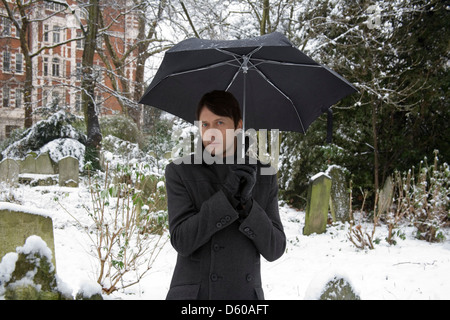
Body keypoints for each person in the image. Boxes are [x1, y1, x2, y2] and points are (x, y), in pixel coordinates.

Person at [165, 90, 286, 300]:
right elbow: (182, 240)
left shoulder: (264, 174)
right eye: (205, 124)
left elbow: (275, 248)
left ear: (238, 126)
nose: (211, 132)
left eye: (219, 123)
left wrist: (249, 207)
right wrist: (227, 196)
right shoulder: (181, 171)